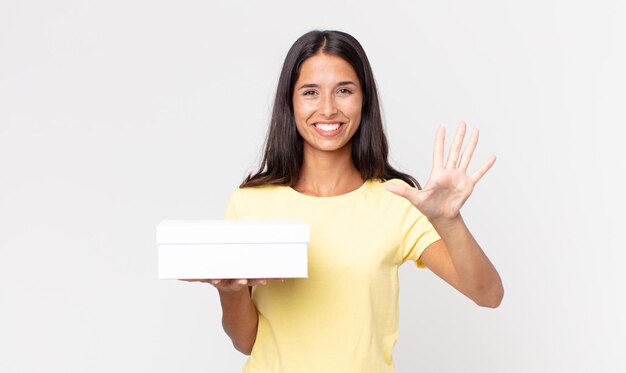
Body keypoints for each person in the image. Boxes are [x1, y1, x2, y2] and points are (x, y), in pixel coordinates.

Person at [184, 30, 503, 372]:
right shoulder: (250, 203)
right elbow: (245, 341)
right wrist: (229, 291)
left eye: (344, 91)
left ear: (364, 99)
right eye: (310, 92)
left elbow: (488, 295)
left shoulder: (395, 199)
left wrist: (449, 220)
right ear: (289, 102)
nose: (327, 108)